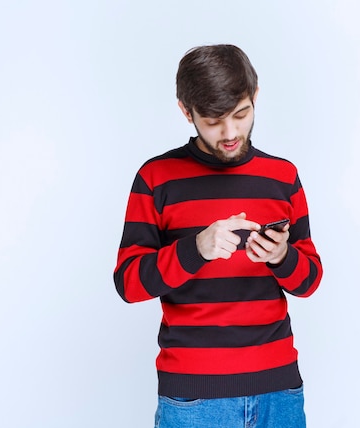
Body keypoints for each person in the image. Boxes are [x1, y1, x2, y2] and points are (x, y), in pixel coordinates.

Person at [113, 44, 323, 428]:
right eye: (213, 120)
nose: (230, 133)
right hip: (193, 399)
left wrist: (281, 257)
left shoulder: (283, 178)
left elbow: (310, 280)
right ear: (185, 111)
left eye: (241, 114)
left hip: (279, 393)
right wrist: (195, 249)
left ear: (255, 98)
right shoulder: (156, 179)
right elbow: (128, 284)